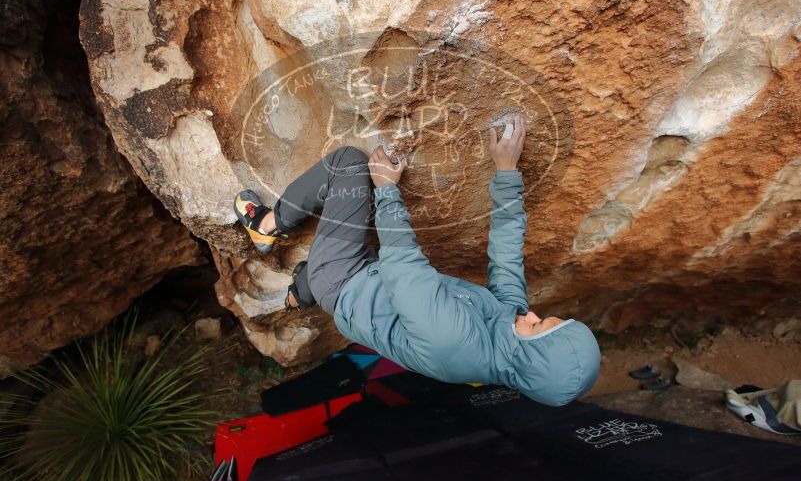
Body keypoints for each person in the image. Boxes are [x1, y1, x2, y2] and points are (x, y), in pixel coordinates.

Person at [233, 114, 600, 406]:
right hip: (371, 284)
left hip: (348, 280)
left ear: (527, 356)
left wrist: (388, 190)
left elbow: (404, 269)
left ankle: (266, 225)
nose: (531, 313)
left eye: (537, 327)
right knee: (326, 267)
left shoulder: (454, 343)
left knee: (347, 165)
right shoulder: (509, 327)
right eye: (546, 318)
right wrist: (507, 173)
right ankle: (303, 290)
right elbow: (506, 256)